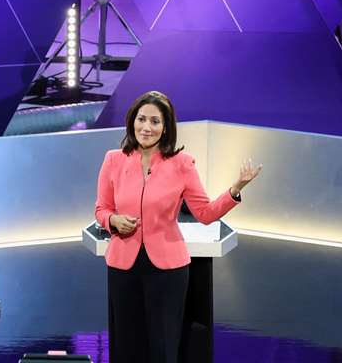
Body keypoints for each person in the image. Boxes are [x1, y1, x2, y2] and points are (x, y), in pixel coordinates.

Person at [94, 90, 261, 363]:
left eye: (155, 122)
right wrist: (112, 220)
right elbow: (102, 209)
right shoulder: (113, 159)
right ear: (132, 121)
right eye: (141, 119)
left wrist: (235, 189)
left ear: (166, 127)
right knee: (127, 346)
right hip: (123, 266)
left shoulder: (182, 164)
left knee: (163, 346)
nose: (146, 127)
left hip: (168, 271)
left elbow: (205, 214)